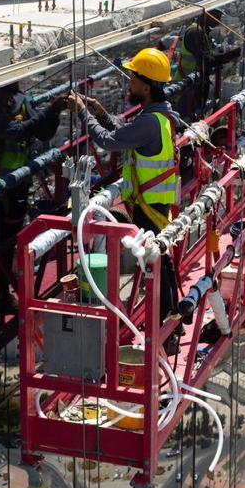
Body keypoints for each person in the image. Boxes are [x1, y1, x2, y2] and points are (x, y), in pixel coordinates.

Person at [69, 47, 183, 329]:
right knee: (160, 262)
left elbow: (108, 141)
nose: (128, 84)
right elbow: (125, 133)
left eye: (133, 80)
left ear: (146, 86)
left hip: (148, 207)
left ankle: (163, 326)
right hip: (155, 203)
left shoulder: (150, 122)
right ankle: (169, 320)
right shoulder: (161, 116)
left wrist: (84, 113)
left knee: (156, 267)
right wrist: (102, 112)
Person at [0, 83, 68, 332]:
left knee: (9, 242)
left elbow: (42, 133)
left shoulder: (19, 99)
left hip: (16, 183)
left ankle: (2, 298)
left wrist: (54, 113)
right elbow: (16, 132)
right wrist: (50, 110)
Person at [178, 8, 241, 116]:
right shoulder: (195, 32)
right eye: (217, 16)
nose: (219, 21)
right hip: (188, 86)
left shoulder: (202, 31)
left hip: (196, 85)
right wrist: (230, 56)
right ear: (207, 14)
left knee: (196, 117)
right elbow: (205, 61)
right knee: (187, 119)